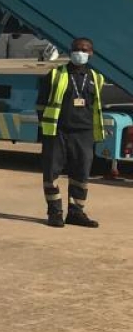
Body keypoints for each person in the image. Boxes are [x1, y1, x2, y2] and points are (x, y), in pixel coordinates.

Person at [38, 37, 103, 228]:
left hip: (84, 132)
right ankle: (55, 212)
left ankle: (76, 212)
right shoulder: (55, 74)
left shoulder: (96, 78)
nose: (80, 53)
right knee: (52, 172)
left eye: (84, 50)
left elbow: (95, 106)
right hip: (58, 131)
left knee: (81, 173)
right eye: (76, 49)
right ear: (70, 51)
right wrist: (46, 125)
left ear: (91, 53)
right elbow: (41, 103)